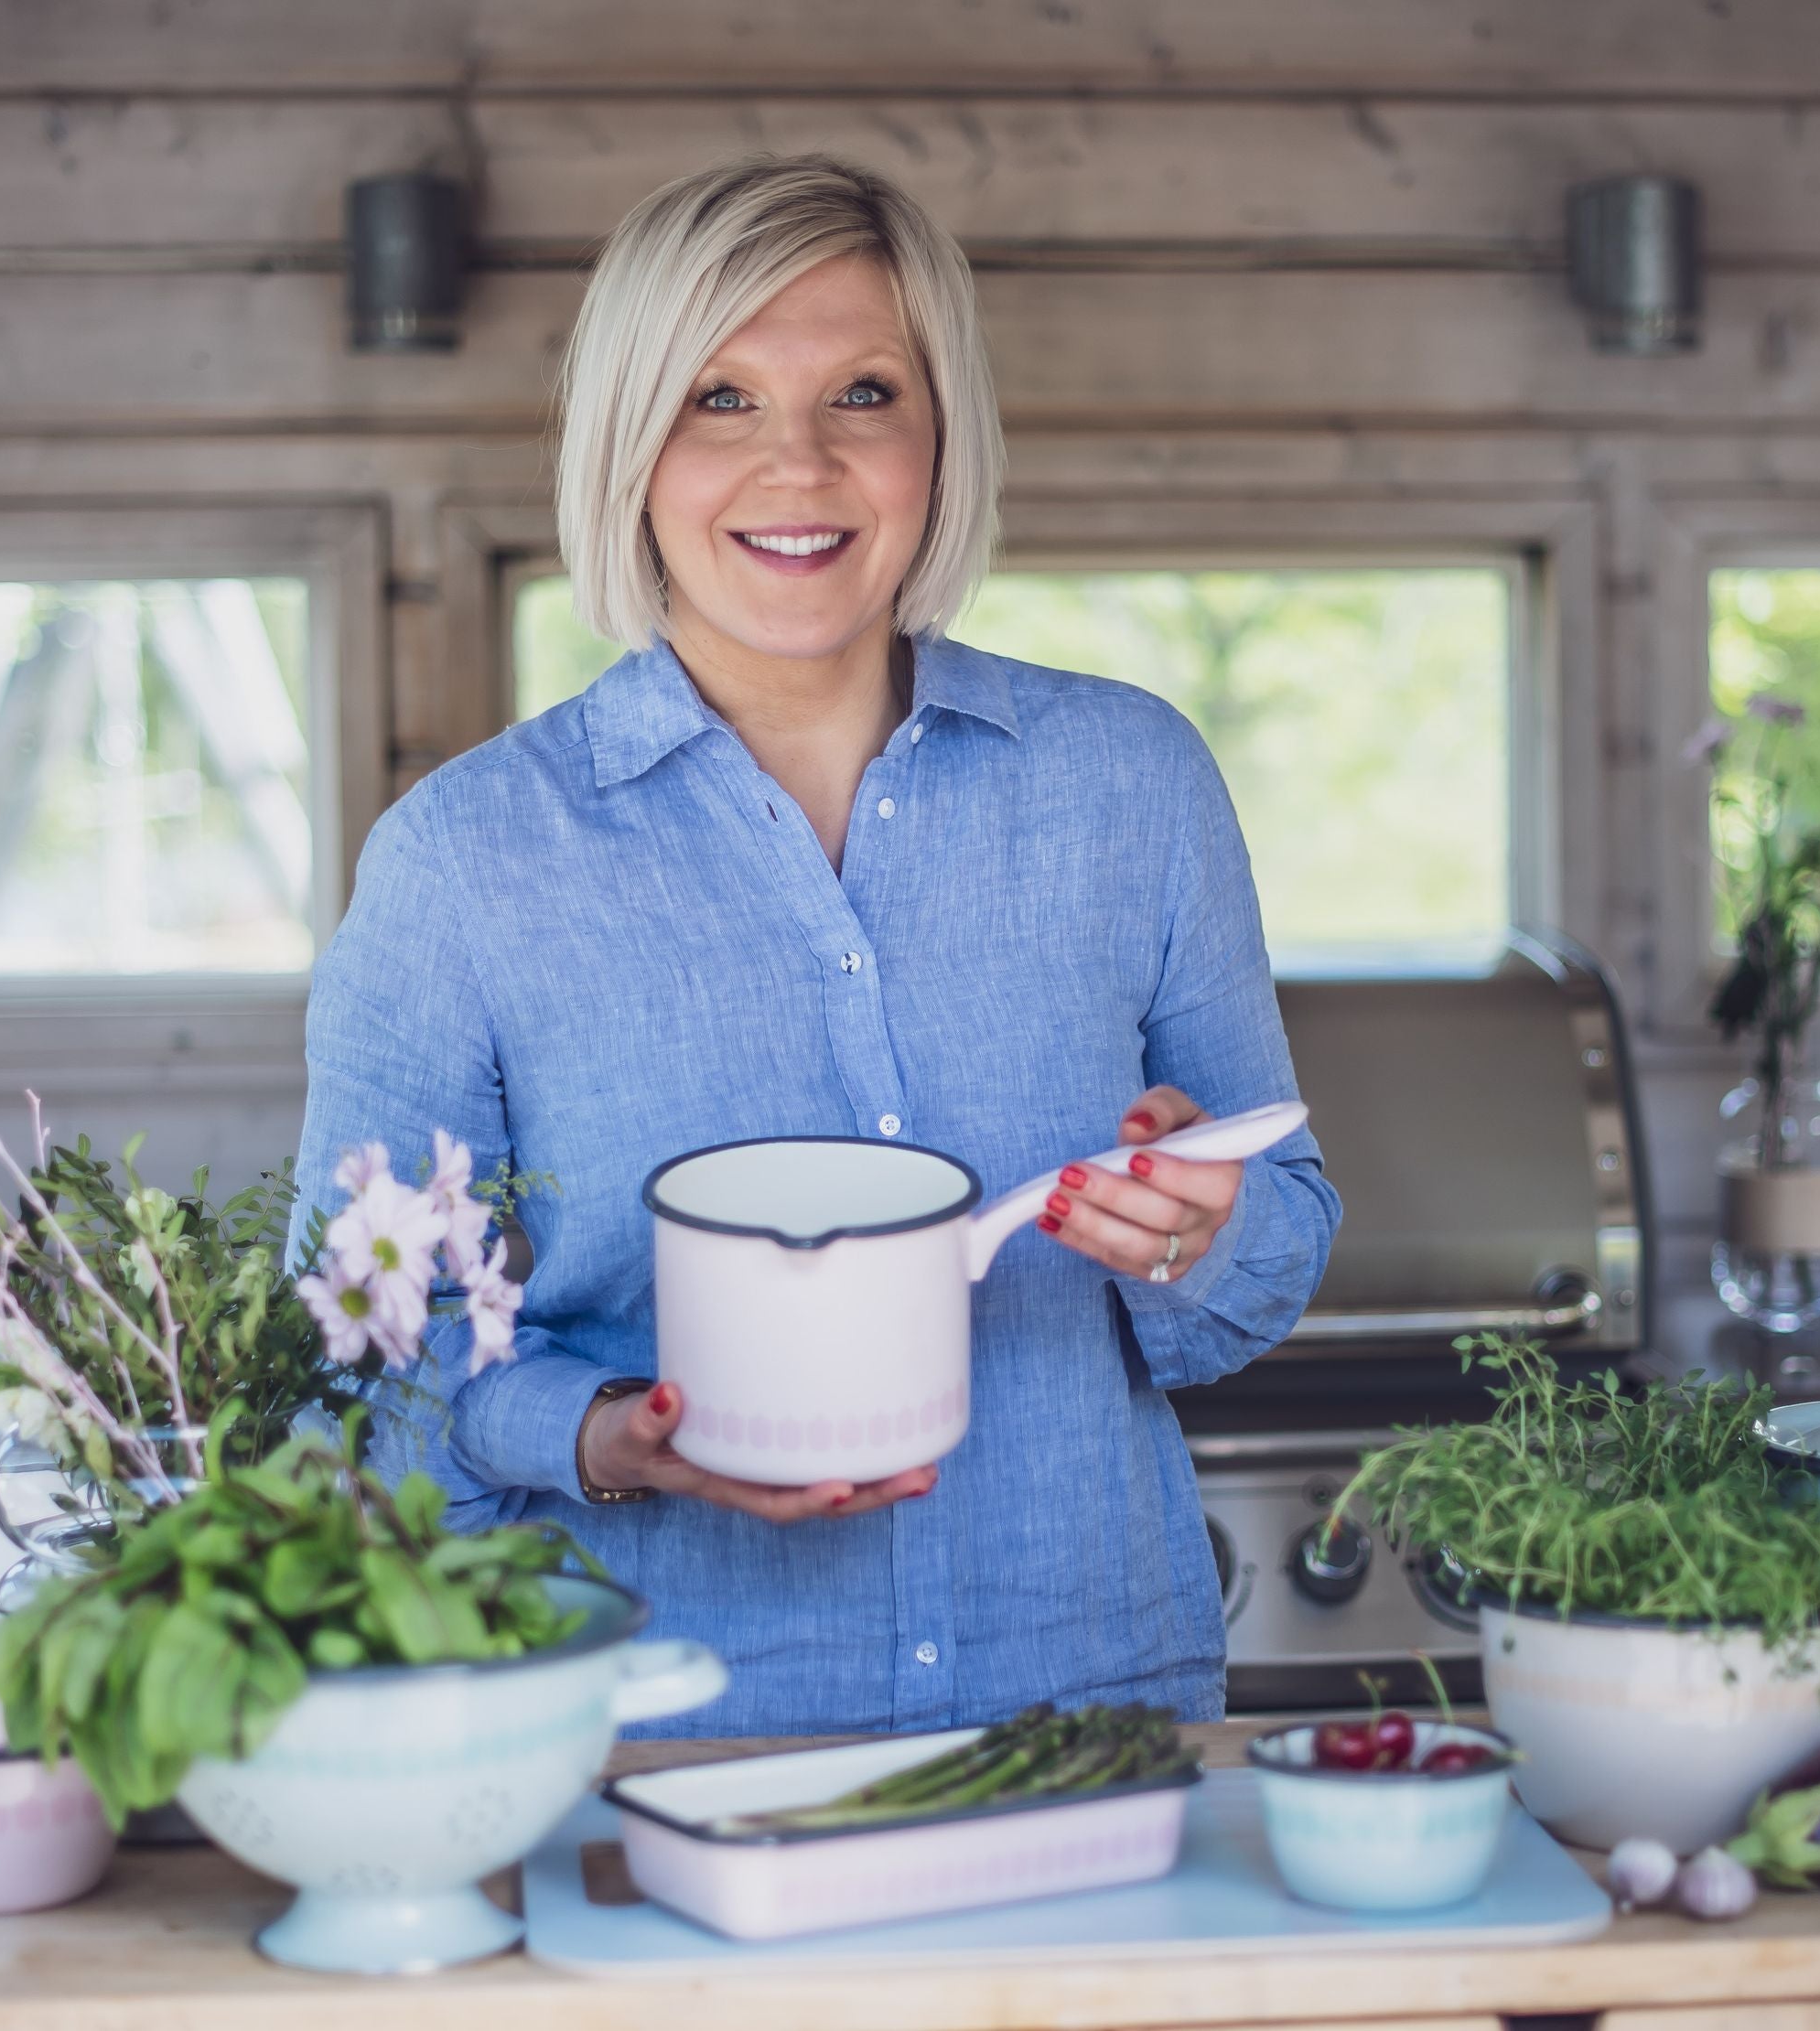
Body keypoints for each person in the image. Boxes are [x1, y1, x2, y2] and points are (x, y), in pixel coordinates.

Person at [292, 154, 1337, 1735]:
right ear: (630, 450)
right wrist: (596, 1436)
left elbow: (1278, 1249)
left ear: (940, 443)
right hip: (660, 1743)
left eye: (863, 393)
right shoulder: (464, 864)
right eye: (719, 398)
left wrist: (1200, 1226)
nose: (798, 465)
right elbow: (352, 1355)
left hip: (1088, 1723)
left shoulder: (1132, 787)